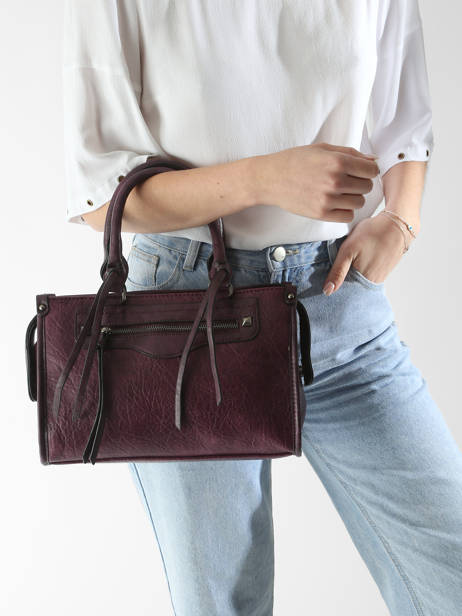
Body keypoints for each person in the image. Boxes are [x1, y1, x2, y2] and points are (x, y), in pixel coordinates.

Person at [62, 1, 462, 614]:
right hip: (185, 324)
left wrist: (401, 221)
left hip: (338, 303)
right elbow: (100, 194)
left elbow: (405, 118)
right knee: (226, 604)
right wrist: (265, 179)